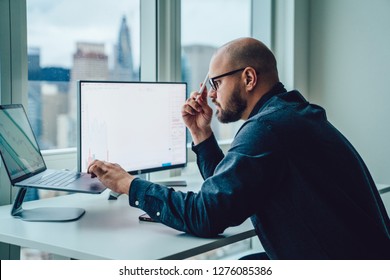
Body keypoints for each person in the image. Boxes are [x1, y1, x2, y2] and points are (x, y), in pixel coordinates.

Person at [88, 37, 390, 259]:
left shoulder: (266, 130)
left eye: (215, 83)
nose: (211, 95)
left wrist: (129, 184)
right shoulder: (291, 115)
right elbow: (232, 190)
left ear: (248, 77)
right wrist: (202, 135)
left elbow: (207, 217)